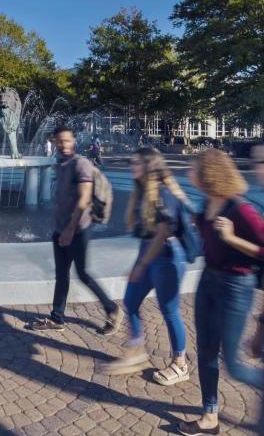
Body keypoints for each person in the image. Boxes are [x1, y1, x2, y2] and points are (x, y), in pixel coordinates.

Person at [179, 149, 264, 436]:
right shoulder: (205, 206)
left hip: (235, 288)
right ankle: (209, 416)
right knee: (205, 352)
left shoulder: (240, 209)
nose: (189, 171)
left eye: (194, 168)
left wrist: (232, 238)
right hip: (208, 282)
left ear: (209, 174)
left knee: (234, 364)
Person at [104, 148, 190, 385]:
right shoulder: (142, 192)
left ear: (150, 166)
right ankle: (137, 353)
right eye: (132, 163)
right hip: (148, 255)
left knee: (169, 311)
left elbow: (162, 234)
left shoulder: (164, 193)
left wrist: (141, 265)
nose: (132, 167)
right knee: (130, 302)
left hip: (168, 258)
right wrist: (140, 262)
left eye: (137, 164)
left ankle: (181, 364)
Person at [31, 125, 123, 334]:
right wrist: (60, 229)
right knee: (62, 274)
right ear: (54, 142)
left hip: (78, 230)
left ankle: (113, 309)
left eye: (67, 140)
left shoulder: (80, 164)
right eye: (59, 141)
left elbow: (83, 199)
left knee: (83, 274)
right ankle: (57, 318)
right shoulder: (60, 165)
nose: (63, 144)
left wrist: (70, 230)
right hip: (61, 229)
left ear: (74, 141)